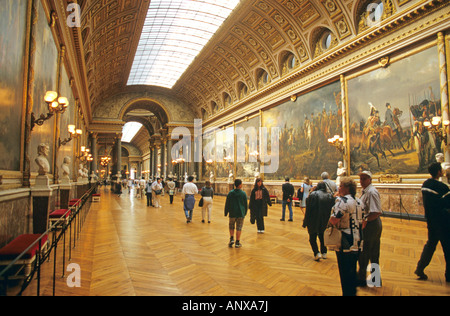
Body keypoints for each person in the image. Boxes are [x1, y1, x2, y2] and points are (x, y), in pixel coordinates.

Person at [415, 162, 450, 282]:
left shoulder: (426, 184)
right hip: (443, 222)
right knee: (448, 248)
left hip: (431, 220)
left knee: (430, 245)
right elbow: (447, 204)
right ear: (439, 172)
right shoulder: (442, 187)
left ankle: (420, 268)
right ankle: (449, 275)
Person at [329, 177, 364, 296]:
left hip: (345, 241)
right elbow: (363, 222)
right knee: (352, 271)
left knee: (344, 273)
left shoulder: (342, 201)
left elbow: (334, 220)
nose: (339, 188)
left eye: (341, 186)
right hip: (357, 240)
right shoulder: (359, 201)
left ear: (346, 188)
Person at [358, 170, 383, 286]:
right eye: (361, 178)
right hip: (371, 224)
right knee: (373, 252)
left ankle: (362, 279)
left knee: (365, 252)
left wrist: (365, 221)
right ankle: (375, 279)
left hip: (371, 225)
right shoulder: (366, 191)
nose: (361, 181)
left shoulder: (371, 192)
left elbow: (376, 212)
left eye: (364, 179)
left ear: (370, 179)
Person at [303, 182, 335, 261]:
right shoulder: (330, 196)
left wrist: (305, 221)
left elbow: (308, 210)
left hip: (313, 219)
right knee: (322, 237)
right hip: (325, 220)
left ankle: (316, 253)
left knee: (312, 238)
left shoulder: (313, 195)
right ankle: (324, 253)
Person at [224, 179, 248, 248]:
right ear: (240, 185)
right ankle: (237, 242)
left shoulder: (230, 193)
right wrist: (245, 212)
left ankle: (231, 238)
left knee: (231, 226)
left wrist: (226, 212)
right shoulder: (243, 193)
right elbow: (245, 204)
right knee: (239, 228)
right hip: (240, 213)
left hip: (232, 212)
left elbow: (227, 203)